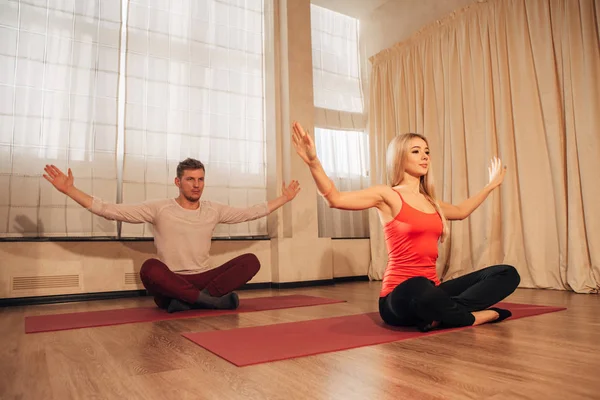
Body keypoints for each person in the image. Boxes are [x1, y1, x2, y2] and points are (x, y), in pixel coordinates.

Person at [291, 121, 520, 332]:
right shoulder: (387, 195)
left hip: (432, 290)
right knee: (419, 287)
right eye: (416, 151)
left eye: (427, 151)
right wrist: (314, 162)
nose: (425, 157)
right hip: (398, 298)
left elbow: (461, 211)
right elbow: (335, 199)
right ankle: (472, 317)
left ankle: (443, 313)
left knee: (506, 274)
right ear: (400, 158)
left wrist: (490, 186)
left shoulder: (431, 202)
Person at [43, 158, 301, 313]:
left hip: (202, 279)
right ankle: (210, 303)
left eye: (200, 179)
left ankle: (192, 302)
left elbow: (250, 212)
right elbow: (111, 210)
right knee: (150, 268)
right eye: (190, 179)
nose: (196, 184)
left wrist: (284, 199)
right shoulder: (160, 208)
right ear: (178, 182)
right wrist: (70, 190)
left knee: (250, 261)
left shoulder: (213, 210)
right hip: (171, 282)